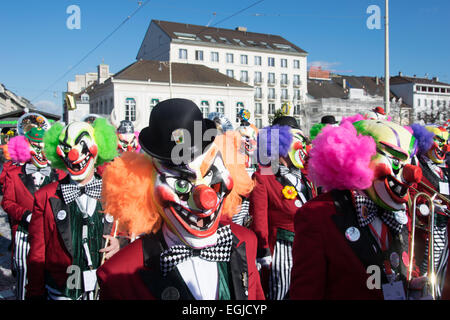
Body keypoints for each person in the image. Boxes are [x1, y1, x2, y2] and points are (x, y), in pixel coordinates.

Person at [96, 98, 264, 300]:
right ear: (146, 186)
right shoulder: (119, 275)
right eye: (181, 184)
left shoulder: (245, 242)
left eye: (211, 176)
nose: (205, 199)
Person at [290, 119, 428, 300]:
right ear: (360, 157)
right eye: (395, 162)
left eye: (410, 162)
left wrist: (411, 286)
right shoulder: (317, 216)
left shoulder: (398, 212)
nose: (413, 174)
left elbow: (401, 265)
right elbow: (306, 293)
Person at [26, 118, 120, 300]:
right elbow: (37, 253)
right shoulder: (46, 196)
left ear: (98, 147)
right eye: (67, 149)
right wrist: (34, 294)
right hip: (62, 290)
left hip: (104, 289)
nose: (73, 155)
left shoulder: (114, 191)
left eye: (82, 146)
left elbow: (127, 232)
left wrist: (119, 244)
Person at [249, 116, 315, 300]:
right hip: (282, 248)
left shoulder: (305, 177)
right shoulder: (264, 176)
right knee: (281, 292)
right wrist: (263, 251)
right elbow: (259, 216)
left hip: (308, 246)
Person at [1, 127, 65, 299]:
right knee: (24, 274)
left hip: (50, 236)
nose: (41, 152)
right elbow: (6, 202)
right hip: (23, 233)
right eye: (36, 146)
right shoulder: (13, 174)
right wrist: (27, 215)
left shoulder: (58, 175)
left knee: (49, 275)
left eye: (44, 146)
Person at [410, 124, 450, 299]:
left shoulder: (442, 170)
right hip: (427, 226)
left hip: (443, 224)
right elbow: (412, 192)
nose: (441, 146)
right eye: (438, 141)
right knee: (427, 265)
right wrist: (424, 207)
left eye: (444, 142)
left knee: (442, 264)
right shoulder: (418, 164)